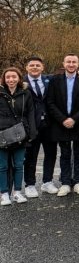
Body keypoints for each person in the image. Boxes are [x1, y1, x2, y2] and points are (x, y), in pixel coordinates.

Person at [46, 54, 79, 196]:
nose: (71, 64)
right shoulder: (55, 80)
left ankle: (78, 181)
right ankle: (66, 183)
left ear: (78, 64)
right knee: (65, 153)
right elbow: (50, 102)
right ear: (64, 63)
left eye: (74, 62)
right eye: (69, 62)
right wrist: (63, 119)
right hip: (61, 122)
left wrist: (74, 119)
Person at [0, 67, 37, 206]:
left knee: (19, 165)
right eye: (8, 77)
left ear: (19, 78)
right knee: (2, 166)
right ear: (4, 79)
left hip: (20, 134)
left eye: (14, 77)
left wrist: (32, 132)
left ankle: (17, 192)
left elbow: (30, 113)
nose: (11, 80)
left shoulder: (25, 93)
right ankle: (4, 194)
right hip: (2, 134)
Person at [22, 56, 57, 197]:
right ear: (27, 68)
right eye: (32, 65)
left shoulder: (50, 80)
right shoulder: (21, 83)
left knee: (51, 154)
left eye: (37, 65)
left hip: (49, 124)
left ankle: (47, 181)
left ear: (42, 67)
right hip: (31, 125)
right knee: (31, 156)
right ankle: (30, 184)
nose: (35, 67)